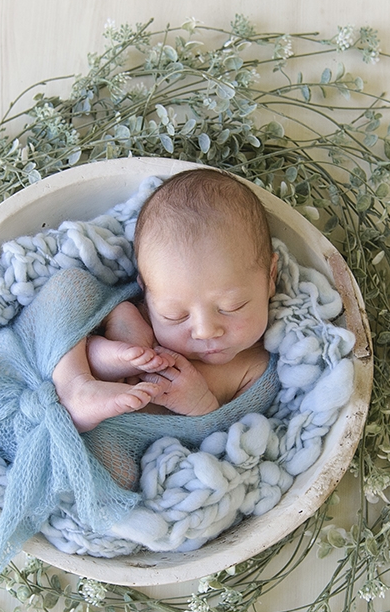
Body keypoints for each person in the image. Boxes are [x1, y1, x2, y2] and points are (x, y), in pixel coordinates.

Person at [52, 168, 279, 433]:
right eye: (175, 315)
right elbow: (80, 328)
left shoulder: (256, 367)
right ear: (146, 294)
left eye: (232, 306)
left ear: (270, 277)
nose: (205, 330)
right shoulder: (142, 316)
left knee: (122, 472)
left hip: (132, 440)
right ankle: (81, 381)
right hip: (87, 386)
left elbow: (235, 439)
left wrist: (202, 406)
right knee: (71, 291)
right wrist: (123, 352)